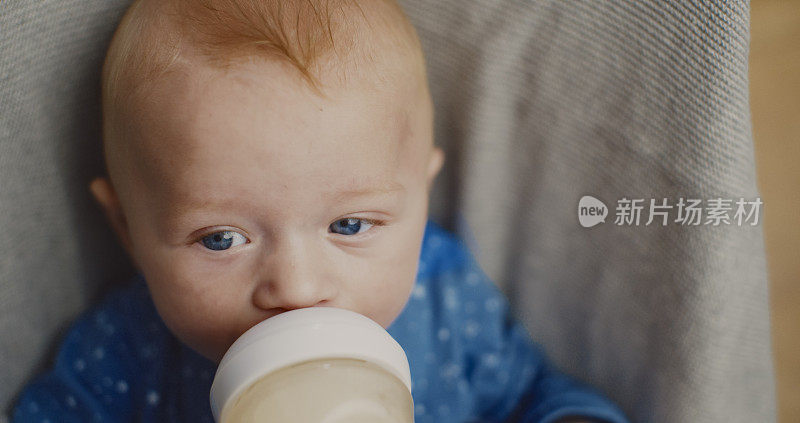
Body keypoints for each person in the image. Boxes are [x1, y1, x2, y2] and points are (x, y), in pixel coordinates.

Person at [12, 0, 628, 421]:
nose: (298, 288)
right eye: (221, 239)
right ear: (128, 230)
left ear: (420, 195)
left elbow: (531, 393)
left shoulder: (445, 297)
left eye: (350, 225)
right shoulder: (128, 347)